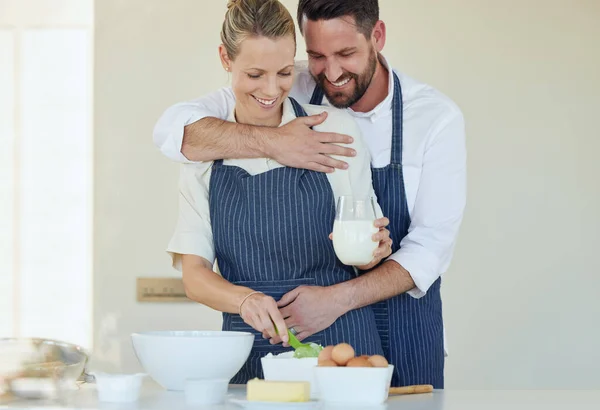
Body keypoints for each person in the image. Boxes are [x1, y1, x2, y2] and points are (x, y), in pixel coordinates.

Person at [155, 0, 467, 388]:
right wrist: (275, 143)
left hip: (384, 317)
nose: (331, 72)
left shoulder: (433, 118)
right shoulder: (244, 112)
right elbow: (174, 131)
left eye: (346, 53)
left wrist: (363, 265)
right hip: (253, 341)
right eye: (317, 55)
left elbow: (429, 249)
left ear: (378, 37)